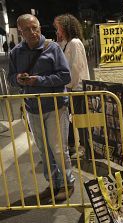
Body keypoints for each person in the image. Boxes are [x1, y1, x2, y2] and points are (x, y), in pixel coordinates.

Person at [8, 14, 74, 201]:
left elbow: (65, 76)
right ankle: (53, 184)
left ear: (39, 26)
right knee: (44, 150)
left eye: (35, 27)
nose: (33, 32)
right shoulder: (16, 53)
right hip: (32, 108)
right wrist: (18, 79)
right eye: (27, 29)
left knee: (59, 149)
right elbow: (11, 78)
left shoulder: (52, 48)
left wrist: (39, 80)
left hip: (56, 106)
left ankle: (67, 183)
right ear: (20, 31)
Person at [54, 14, 90, 158]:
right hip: (71, 87)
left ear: (65, 27)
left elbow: (75, 67)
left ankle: (84, 147)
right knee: (69, 116)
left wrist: (67, 84)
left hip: (77, 87)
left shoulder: (75, 43)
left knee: (80, 119)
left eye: (58, 28)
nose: (57, 31)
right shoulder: (68, 43)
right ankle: (72, 145)